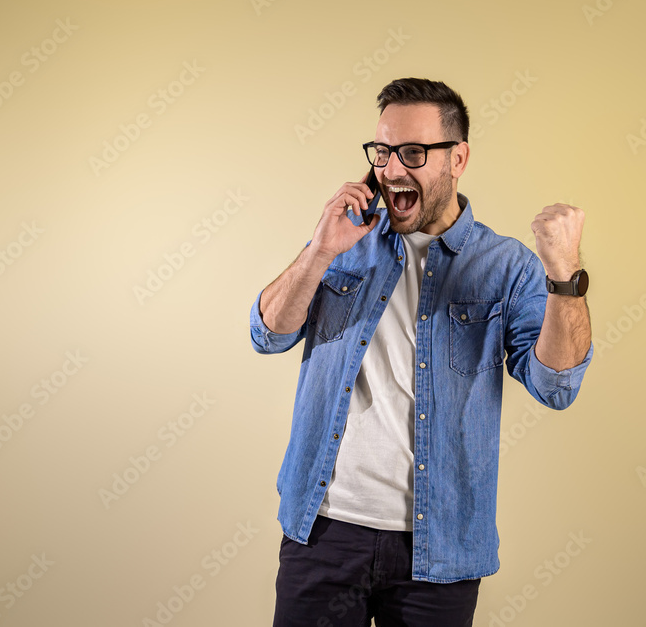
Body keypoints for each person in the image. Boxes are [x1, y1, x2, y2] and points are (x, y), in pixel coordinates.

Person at [250, 77, 593, 626]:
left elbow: (556, 386)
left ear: (458, 159)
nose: (391, 170)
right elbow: (268, 333)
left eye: (413, 153)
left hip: (440, 547)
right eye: (382, 152)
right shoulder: (345, 242)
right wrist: (319, 250)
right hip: (324, 531)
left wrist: (564, 277)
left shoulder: (507, 266)